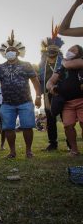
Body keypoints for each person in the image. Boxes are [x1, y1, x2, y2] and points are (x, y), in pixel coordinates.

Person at [0, 31, 41, 159]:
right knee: (8, 128)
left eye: (12, 50)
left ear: (18, 52)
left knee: (27, 126)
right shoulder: (0, 67)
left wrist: (38, 96)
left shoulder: (26, 65)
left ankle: (29, 151)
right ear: (5, 54)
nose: (9, 52)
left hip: (25, 101)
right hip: (7, 103)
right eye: (7, 51)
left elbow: (35, 81)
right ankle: (12, 152)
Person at [47, 45, 83, 156]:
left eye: (73, 50)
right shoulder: (61, 68)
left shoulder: (80, 61)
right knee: (68, 126)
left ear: (79, 53)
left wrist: (63, 61)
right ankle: (74, 150)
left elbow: (67, 64)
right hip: (66, 102)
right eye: (69, 49)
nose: (69, 51)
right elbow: (50, 81)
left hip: (81, 100)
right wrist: (51, 88)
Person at [38, 23, 64, 151]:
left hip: (61, 93)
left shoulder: (64, 62)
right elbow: (39, 78)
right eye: (50, 48)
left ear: (58, 50)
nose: (51, 50)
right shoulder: (42, 63)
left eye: (54, 48)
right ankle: (53, 143)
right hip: (47, 94)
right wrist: (39, 95)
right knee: (50, 118)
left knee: (65, 118)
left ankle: (71, 144)